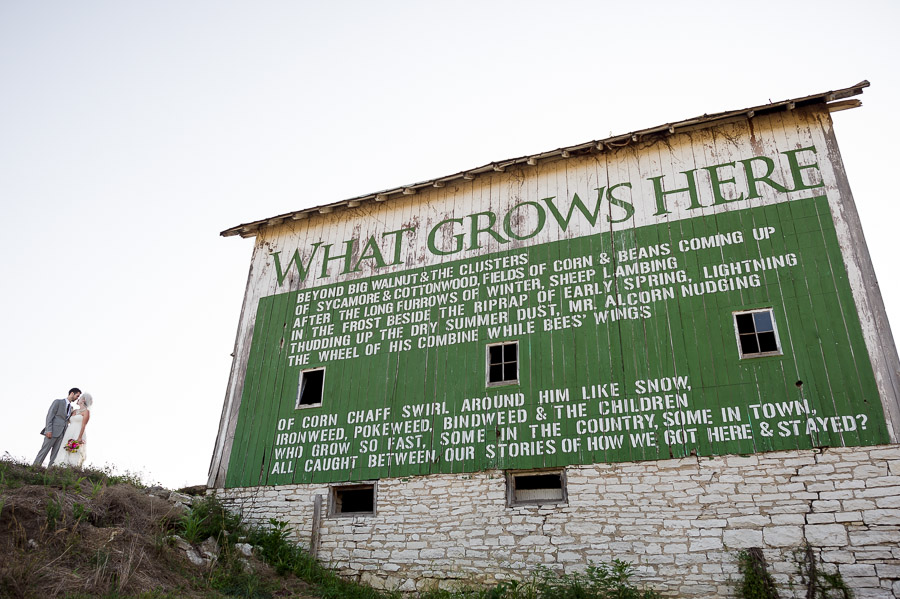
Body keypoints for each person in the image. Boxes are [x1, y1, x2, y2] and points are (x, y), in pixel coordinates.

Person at [34, 388, 81, 467]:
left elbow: (67, 420)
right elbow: (50, 416)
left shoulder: (71, 408)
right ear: (72, 393)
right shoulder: (58, 402)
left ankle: (49, 472)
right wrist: (48, 430)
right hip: (52, 432)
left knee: (55, 455)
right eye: (77, 396)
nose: (77, 398)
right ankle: (34, 468)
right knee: (44, 451)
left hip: (62, 434)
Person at [60, 393, 92, 468]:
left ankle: (73, 469)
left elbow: (84, 425)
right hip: (69, 432)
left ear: (83, 400)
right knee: (65, 449)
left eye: (79, 398)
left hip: (78, 432)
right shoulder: (74, 411)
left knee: (75, 451)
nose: (78, 399)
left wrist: (80, 437)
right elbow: (68, 421)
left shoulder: (86, 412)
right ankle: (61, 467)